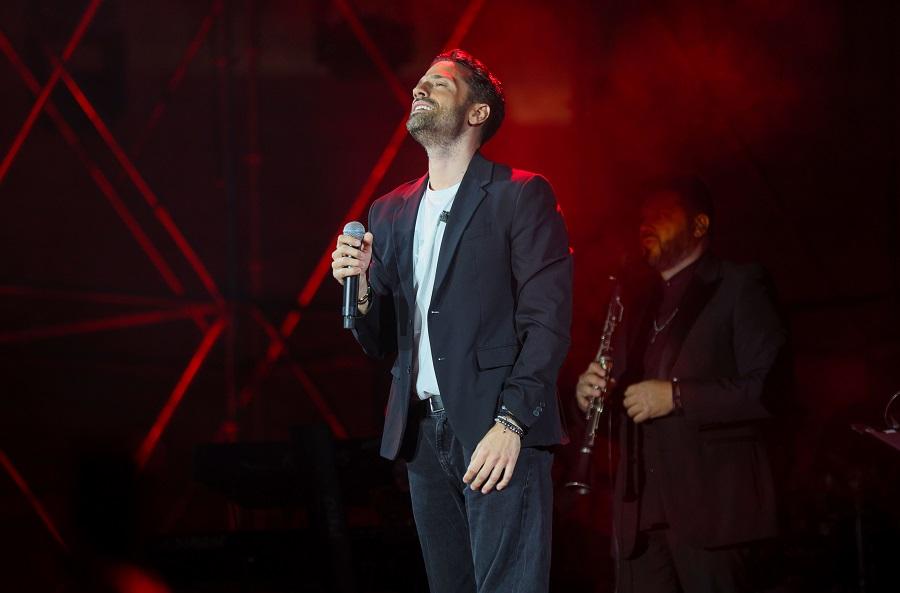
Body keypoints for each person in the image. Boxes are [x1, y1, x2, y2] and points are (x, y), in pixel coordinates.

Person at [331, 49, 572, 593]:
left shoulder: (519, 195)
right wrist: (362, 288)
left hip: (496, 427)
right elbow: (381, 341)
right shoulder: (389, 210)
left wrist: (512, 423)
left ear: (476, 112)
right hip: (422, 434)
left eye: (439, 84)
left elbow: (548, 322)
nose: (419, 90)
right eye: (419, 83)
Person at [575, 178, 786, 592]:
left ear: (699, 225)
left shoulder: (739, 284)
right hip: (639, 514)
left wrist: (676, 396)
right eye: (642, 217)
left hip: (713, 513)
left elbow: (769, 389)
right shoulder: (636, 304)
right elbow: (624, 402)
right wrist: (589, 396)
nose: (646, 224)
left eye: (661, 214)